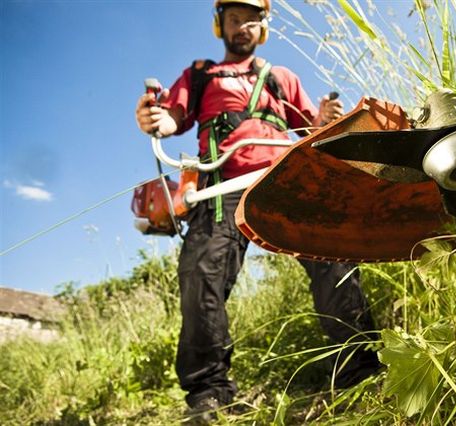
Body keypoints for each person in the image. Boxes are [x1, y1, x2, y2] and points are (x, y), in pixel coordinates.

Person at [135, 0, 380, 416]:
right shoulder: (200, 75)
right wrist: (157, 118)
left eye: (251, 20)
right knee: (201, 274)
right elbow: (173, 117)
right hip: (222, 185)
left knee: (333, 263)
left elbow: (312, 129)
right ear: (220, 25)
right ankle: (208, 394)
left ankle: (361, 373)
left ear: (262, 28)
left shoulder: (282, 78)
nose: (242, 26)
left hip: (285, 179)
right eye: (234, 19)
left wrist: (322, 118)